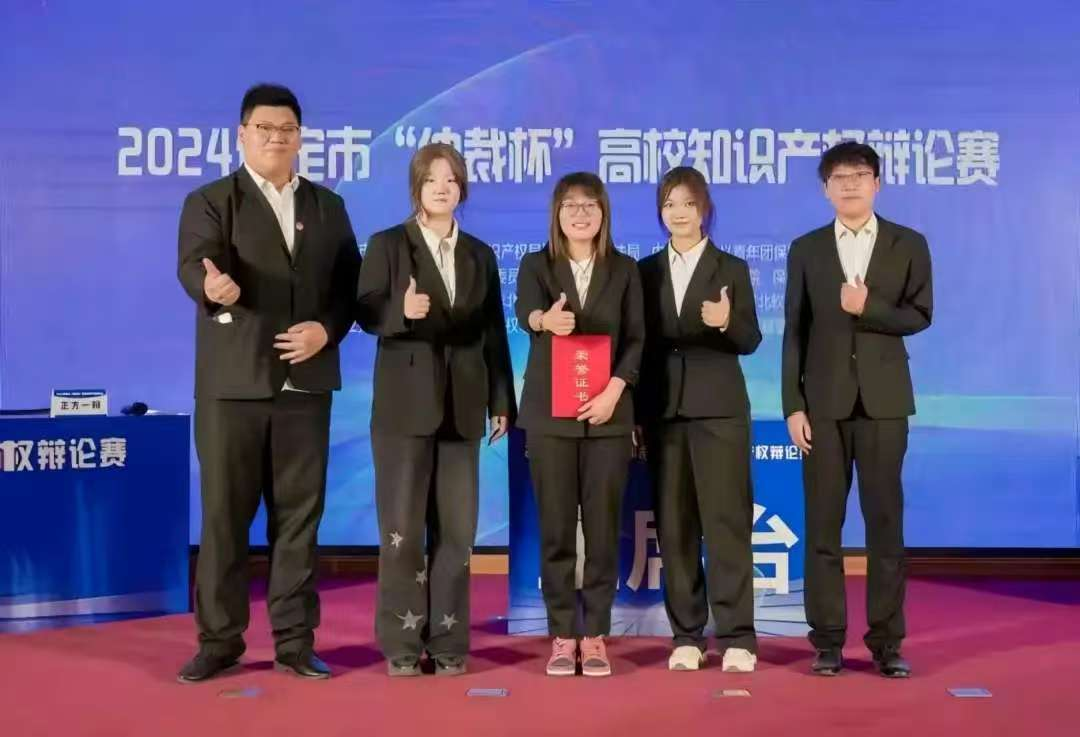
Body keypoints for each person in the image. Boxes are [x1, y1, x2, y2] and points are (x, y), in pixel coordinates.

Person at [176, 83, 360, 683]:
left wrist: (326, 331)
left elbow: (350, 290)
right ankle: (219, 640)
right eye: (264, 128)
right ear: (242, 134)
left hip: (305, 387)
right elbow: (195, 264)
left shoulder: (328, 207)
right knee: (224, 518)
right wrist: (212, 288)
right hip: (233, 386)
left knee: (299, 520)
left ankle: (295, 641)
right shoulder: (211, 201)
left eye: (287, 129)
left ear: (300, 137)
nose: (276, 138)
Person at [356, 143, 516, 677]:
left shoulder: (479, 254)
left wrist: (501, 400)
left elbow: (493, 332)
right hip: (404, 409)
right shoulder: (388, 245)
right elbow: (365, 310)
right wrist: (400, 310)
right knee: (401, 533)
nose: (442, 188)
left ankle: (449, 642)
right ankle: (402, 645)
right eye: (432, 180)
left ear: (461, 188)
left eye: (451, 180)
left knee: (457, 534)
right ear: (416, 188)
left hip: (463, 406)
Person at [782, 141, 933, 678]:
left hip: (884, 402)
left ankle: (887, 643)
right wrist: (793, 405)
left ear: (877, 183)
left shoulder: (907, 243)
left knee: (884, 525)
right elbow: (794, 331)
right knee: (823, 526)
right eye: (839, 177)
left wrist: (869, 307)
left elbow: (920, 314)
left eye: (860, 175)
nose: (849, 184)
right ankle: (826, 642)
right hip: (823, 405)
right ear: (826, 189)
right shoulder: (806, 248)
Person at [515, 172, 644, 677]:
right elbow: (525, 313)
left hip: (608, 416)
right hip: (551, 417)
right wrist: (544, 321)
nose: (580, 214)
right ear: (557, 214)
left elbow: (636, 339)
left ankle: (594, 636)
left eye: (590, 205)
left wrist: (615, 391)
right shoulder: (536, 265)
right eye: (570, 205)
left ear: (604, 213)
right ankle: (563, 635)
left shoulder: (625, 269)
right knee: (556, 530)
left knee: (603, 529)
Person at [637, 166, 762, 673]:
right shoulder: (644, 271)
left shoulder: (730, 267)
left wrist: (726, 321)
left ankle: (738, 637)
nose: (679, 213)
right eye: (670, 204)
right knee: (675, 526)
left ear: (704, 209)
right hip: (663, 411)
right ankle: (686, 635)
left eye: (688, 203)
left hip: (720, 410)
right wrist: (637, 415)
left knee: (726, 524)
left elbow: (751, 339)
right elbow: (638, 347)